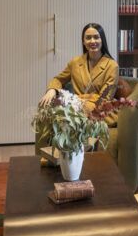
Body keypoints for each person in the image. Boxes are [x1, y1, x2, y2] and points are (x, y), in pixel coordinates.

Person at [36, 23, 119, 153]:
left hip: (99, 110)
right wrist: (52, 90)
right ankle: (46, 155)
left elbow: (104, 98)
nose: (92, 41)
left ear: (102, 39)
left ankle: (70, 154)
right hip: (76, 106)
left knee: (69, 113)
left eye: (96, 37)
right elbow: (58, 79)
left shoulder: (112, 66)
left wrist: (77, 100)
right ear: (83, 41)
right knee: (46, 107)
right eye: (88, 38)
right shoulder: (75, 63)